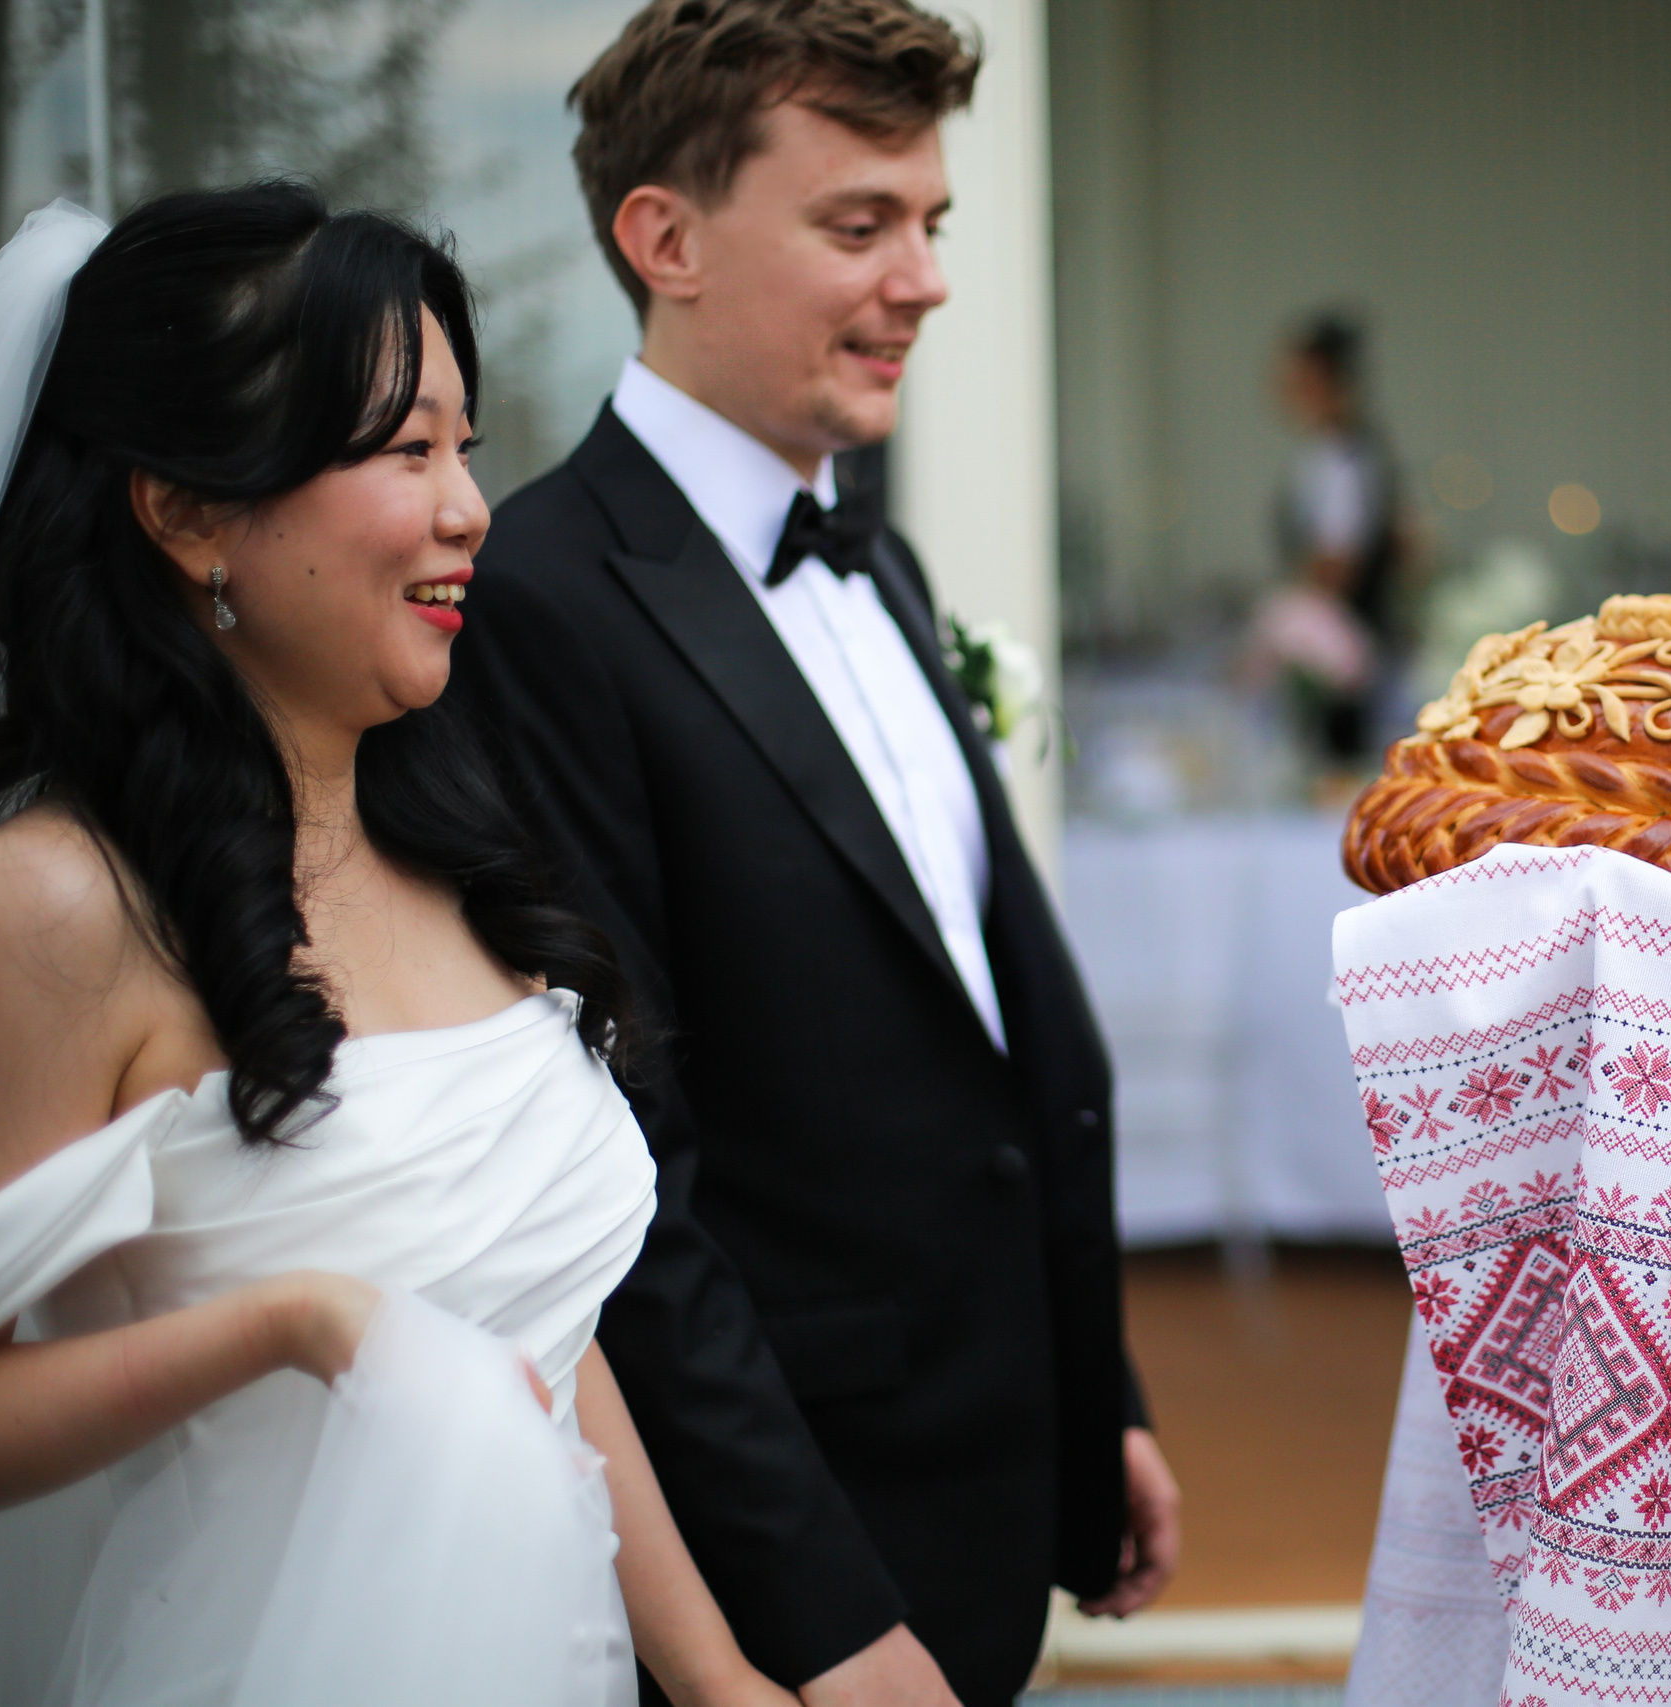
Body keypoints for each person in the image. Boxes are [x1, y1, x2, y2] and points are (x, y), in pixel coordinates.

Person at [0, 185, 804, 1705]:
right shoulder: (57, 906)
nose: (469, 509)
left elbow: (539, 1335)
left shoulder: (460, 854)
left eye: (466, 448)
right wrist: (287, 1324)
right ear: (183, 510)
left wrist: (717, 1673)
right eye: (402, 448)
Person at [455, 4, 1176, 1703]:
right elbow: (628, 1181)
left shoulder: (883, 555)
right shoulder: (541, 604)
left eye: (931, 225)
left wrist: (1101, 1403)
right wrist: (821, 1614)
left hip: (988, 1468)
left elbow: (985, 1034)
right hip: (803, 1545)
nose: (923, 278)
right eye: (860, 224)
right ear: (667, 239)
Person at [1254, 312, 1405, 772]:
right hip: (1341, 644)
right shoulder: (1331, 452)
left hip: (1342, 654)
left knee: (1335, 768)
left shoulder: (1342, 459)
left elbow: (1335, 562)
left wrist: (1296, 622)